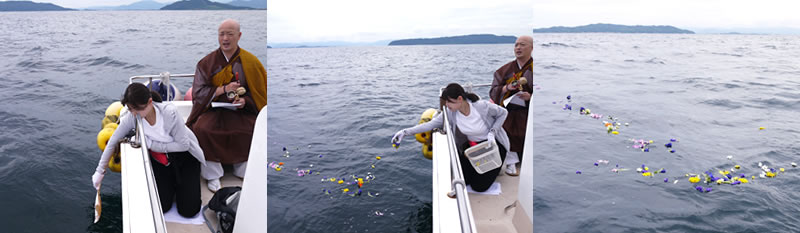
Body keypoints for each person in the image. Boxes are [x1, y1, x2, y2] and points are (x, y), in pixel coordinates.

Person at [92, 83, 206, 217]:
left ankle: (183, 184)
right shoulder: (132, 116)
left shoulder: (169, 113)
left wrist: (151, 144)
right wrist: (100, 171)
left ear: (150, 102)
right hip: (162, 160)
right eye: (130, 109)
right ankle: (174, 185)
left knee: (189, 211)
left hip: (185, 158)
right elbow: (112, 142)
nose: (134, 113)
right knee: (162, 207)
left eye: (137, 109)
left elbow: (183, 145)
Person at [185, 19, 267, 192]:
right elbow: (199, 93)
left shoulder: (251, 62)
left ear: (239, 36)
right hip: (213, 110)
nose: (225, 38)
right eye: (221, 34)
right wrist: (224, 89)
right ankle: (213, 174)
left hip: (241, 111)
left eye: (230, 34)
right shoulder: (207, 63)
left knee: (252, 128)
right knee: (203, 129)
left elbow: (260, 93)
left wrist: (245, 101)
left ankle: (242, 168)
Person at [392, 83, 509, 192]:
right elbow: (430, 124)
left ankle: (497, 167)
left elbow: (503, 113)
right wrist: (405, 132)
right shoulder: (450, 112)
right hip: (473, 148)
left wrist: (492, 132)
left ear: (460, 99)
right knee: (464, 179)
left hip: (492, 145)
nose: (447, 105)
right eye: (446, 102)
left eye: (449, 102)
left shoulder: (481, 106)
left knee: (479, 187)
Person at [490, 35, 533, 176]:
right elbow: (493, 91)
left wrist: (531, 97)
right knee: (503, 123)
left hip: (529, 109)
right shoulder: (505, 69)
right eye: (516, 45)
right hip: (508, 109)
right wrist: (506, 88)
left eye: (522, 45)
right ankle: (511, 161)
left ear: (532, 48)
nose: (518, 48)